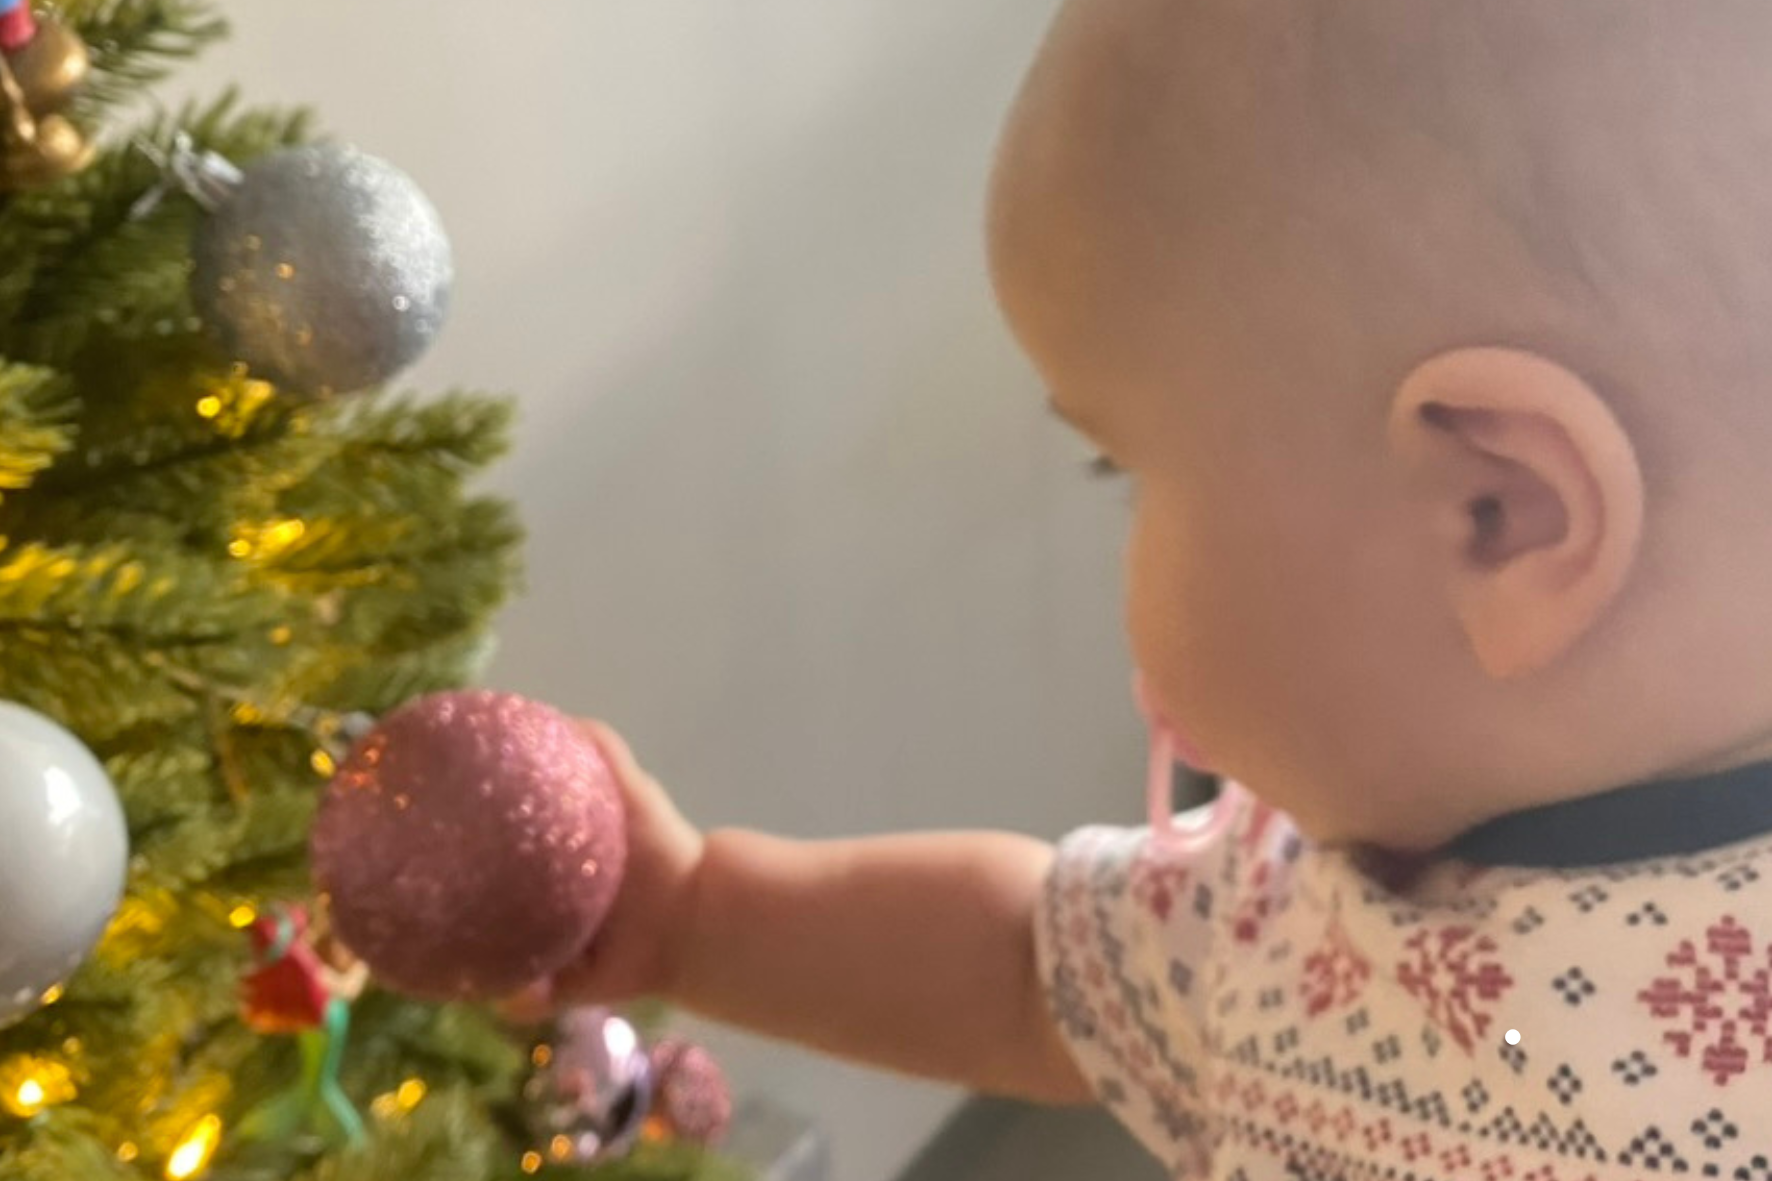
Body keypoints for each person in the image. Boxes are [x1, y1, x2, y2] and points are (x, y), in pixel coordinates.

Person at [532, 2, 1772, 1175]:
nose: (1117, 537)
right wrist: (696, 918)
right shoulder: (1308, 903)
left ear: (1498, 515)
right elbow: (1030, 973)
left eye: (1123, 470)